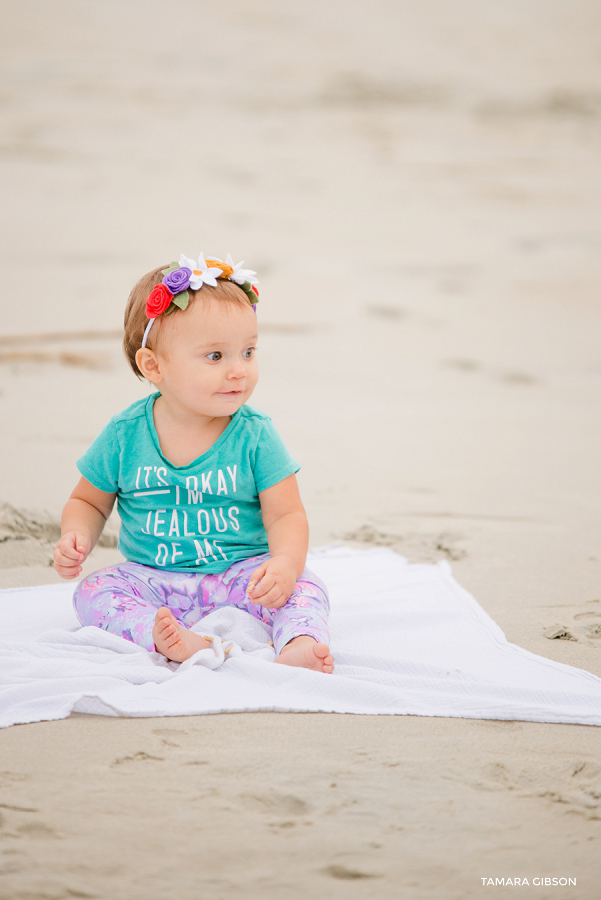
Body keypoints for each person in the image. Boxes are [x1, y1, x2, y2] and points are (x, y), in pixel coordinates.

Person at [53, 252, 334, 673]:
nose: (239, 371)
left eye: (248, 352)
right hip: (154, 577)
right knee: (93, 590)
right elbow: (89, 502)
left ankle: (299, 641)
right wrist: (77, 535)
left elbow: (287, 514)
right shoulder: (125, 434)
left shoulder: (255, 434)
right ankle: (161, 633)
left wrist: (284, 565)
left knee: (307, 587)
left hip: (242, 576)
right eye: (216, 357)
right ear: (155, 365)